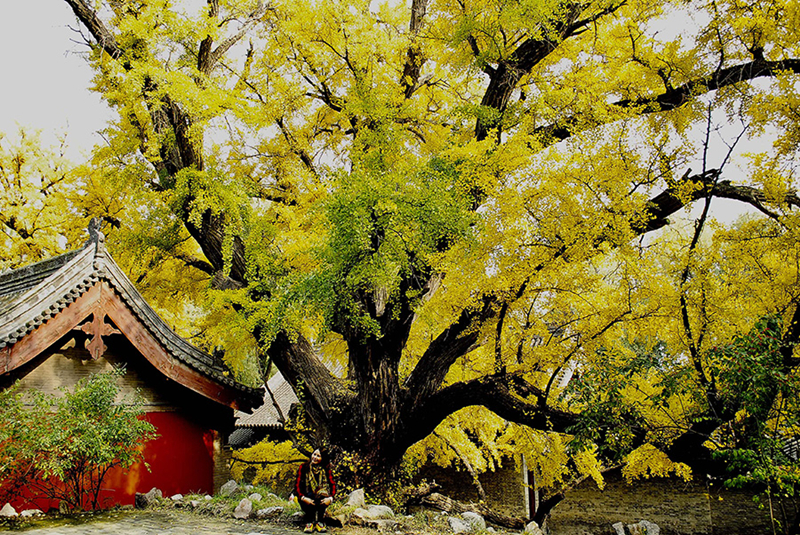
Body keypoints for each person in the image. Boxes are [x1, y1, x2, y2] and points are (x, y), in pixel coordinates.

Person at [296, 448, 336, 533]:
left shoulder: (325, 469)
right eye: (314, 454)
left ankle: (320, 522)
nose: (315, 457)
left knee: (322, 495)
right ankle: (309, 522)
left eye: (318, 456)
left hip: (320, 498)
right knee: (310, 495)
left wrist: (331, 498)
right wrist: (303, 498)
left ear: (322, 458)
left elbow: (332, 484)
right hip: (306, 497)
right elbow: (297, 485)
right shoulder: (303, 467)